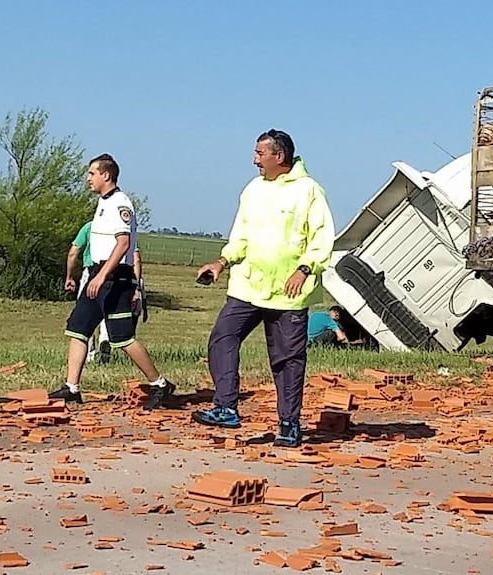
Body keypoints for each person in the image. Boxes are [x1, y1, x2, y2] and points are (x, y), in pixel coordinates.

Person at [191, 130, 335, 448]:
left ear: (278, 156)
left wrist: (304, 269)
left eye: (259, 153)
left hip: (289, 291)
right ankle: (226, 406)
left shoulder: (309, 191)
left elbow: (322, 239)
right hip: (248, 286)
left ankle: (288, 424)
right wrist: (221, 262)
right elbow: (240, 235)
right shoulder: (253, 189)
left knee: (287, 358)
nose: (255, 159)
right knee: (222, 338)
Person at [49, 154, 174, 409]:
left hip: (115, 278)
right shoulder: (102, 203)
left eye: (92, 173)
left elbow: (124, 243)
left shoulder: (120, 203)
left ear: (106, 175)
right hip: (97, 274)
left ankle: (159, 383)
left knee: (122, 337)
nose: (88, 179)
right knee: (78, 329)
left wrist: (103, 275)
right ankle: (72, 387)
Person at [66, 221, 110, 363]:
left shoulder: (89, 227)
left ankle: (89, 354)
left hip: (91, 270)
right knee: (107, 310)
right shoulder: (117, 227)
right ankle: (105, 342)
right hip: (112, 272)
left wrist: (70, 277)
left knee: (85, 313)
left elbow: (73, 252)